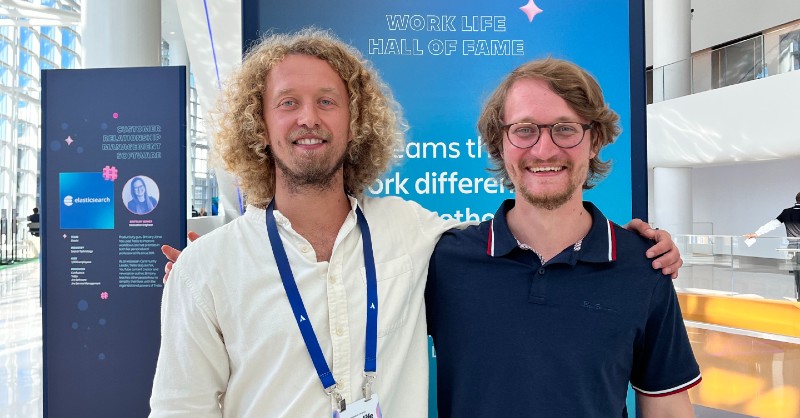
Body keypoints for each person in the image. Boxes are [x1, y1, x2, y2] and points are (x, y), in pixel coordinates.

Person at [150, 29, 682, 417]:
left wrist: (645, 248)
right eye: (288, 102)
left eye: (327, 101)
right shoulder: (207, 271)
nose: (308, 117)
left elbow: (543, 230)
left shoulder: (415, 237)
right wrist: (193, 275)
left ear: (356, 121)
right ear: (258, 125)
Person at [425, 58, 701, 417]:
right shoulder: (445, 262)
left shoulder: (645, 266)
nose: (544, 150)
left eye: (565, 129)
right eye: (524, 130)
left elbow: (667, 409)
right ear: (500, 143)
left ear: (595, 140)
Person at [745, 192, 800, 300]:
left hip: (792, 248)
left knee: (798, 274)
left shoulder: (787, 212)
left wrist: (756, 233)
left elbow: (772, 224)